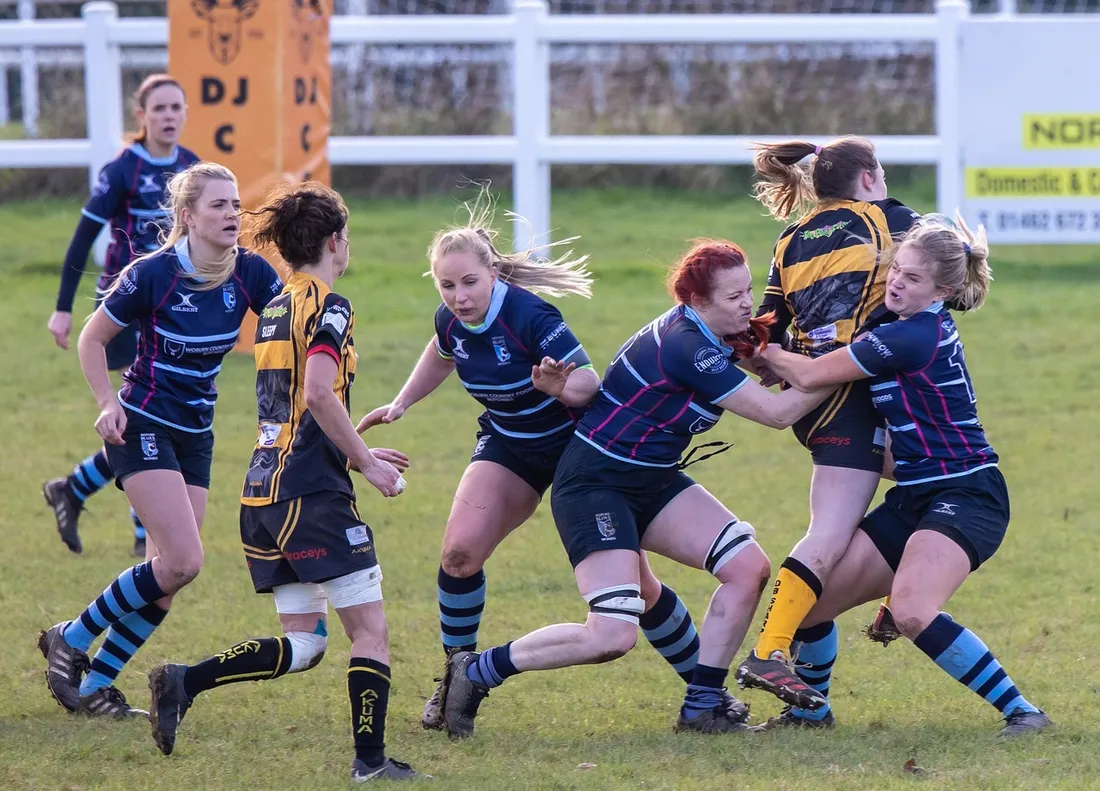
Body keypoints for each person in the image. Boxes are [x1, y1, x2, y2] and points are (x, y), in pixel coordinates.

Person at [357, 191, 726, 730]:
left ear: (493, 273)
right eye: (447, 286)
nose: (459, 297)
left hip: (582, 454)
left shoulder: (530, 315)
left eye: (469, 283)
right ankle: (455, 678)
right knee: (458, 554)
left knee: (640, 591)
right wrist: (402, 402)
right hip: (510, 446)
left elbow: (589, 383)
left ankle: (706, 696)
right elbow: (442, 351)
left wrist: (558, 386)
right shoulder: (451, 319)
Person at [439, 239, 837, 739]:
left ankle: (702, 706)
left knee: (746, 567)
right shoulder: (687, 346)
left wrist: (795, 356)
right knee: (611, 634)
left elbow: (767, 361)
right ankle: (477, 670)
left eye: (748, 291)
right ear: (698, 301)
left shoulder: (709, 331)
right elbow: (778, 414)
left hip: (651, 477)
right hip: (595, 485)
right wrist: (851, 363)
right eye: (734, 295)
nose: (746, 304)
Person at [144, 183, 425, 781]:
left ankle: (183, 682)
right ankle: (372, 764)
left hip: (263, 494)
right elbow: (317, 393)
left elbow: (296, 403)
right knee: (370, 633)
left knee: (306, 643)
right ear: (335, 241)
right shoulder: (331, 306)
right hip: (311, 495)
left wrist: (353, 449)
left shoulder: (274, 306)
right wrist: (366, 463)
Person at [749, 215, 1052, 737]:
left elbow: (812, 374)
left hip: (968, 493)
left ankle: (1024, 712)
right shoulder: (894, 325)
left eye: (912, 279)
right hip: (914, 495)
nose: (896, 283)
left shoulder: (913, 335)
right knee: (811, 610)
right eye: (896, 270)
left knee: (912, 611)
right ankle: (809, 713)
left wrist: (761, 347)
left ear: (943, 291)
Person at [38, 163, 283, 719]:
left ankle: (95, 685)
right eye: (218, 205)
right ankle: (71, 638)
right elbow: (92, 339)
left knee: (166, 578)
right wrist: (107, 403)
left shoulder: (250, 271)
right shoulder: (153, 274)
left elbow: (291, 325)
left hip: (197, 434)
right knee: (183, 559)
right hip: (143, 423)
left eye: (235, 203)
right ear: (187, 216)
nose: (232, 214)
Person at [734, 136, 923, 719]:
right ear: (868, 178)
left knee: (938, 478)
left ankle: (901, 594)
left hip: (814, 403)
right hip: (857, 398)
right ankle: (769, 649)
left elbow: (763, 330)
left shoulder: (790, 237)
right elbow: (947, 272)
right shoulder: (889, 219)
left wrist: (782, 362)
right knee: (832, 533)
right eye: (882, 172)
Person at [44, 74, 199, 558]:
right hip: (123, 305)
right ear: (142, 116)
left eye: (176, 107)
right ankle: (141, 531)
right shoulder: (123, 171)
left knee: (154, 416)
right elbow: (81, 240)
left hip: (172, 309)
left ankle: (74, 488)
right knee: (145, 414)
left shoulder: (193, 168)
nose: (168, 116)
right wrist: (63, 308)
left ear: (185, 113)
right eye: (159, 108)